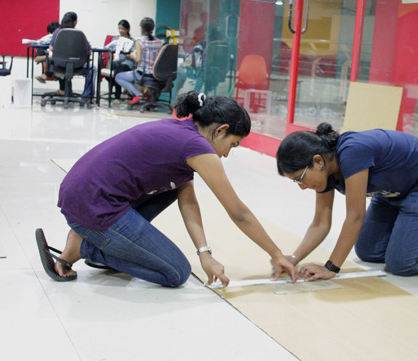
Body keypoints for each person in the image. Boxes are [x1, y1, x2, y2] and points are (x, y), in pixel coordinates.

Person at [36, 91, 298, 288]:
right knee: (175, 273)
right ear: (221, 131)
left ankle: (94, 243)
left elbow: (189, 202)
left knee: (173, 188)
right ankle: (87, 247)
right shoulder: (199, 149)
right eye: (234, 144)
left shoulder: (182, 133)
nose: (229, 154)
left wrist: (204, 253)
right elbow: (238, 212)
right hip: (93, 205)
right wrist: (276, 254)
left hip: (82, 195)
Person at [274, 123, 418, 281]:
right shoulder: (324, 172)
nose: (302, 186)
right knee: (368, 251)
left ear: (317, 161)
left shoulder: (351, 152)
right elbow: (320, 223)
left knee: (402, 264)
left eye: (300, 179)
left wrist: (330, 267)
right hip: (392, 192)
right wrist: (293, 259)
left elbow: (355, 217)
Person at [48, 12, 96, 102]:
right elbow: (89, 50)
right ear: (74, 22)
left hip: (60, 65)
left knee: (66, 70)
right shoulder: (79, 33)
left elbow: (51, 48)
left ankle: (68, 93)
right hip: (77, 65)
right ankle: (86, 97)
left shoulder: (58, 31)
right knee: (92, 69)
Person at [115, 17, 163, 105]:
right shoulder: (159, 42)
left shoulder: (139, 41)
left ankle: (137, 94)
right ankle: (150, 96)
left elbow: (138, 59)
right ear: (152, 28)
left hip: (142, 75)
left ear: (141, 28)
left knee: (118, 77)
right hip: (156, 74)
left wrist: (132, 55)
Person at [104, 19, 135, 100]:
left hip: (127, 63)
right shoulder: (115, 40)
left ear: (128, 29)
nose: (120, 30)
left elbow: (133, 55)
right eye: (119, 28)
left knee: (119, 68)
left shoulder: (132, 41)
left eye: (123, 29)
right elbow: (109, 51)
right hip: (116, 61)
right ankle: (118, 95)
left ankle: (117, 96)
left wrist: (126, 54)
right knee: (117, 65)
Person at [34, 21, 63, 91]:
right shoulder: (45, 44)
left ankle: (63, 91)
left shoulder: (63, 43)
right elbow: (36, 59)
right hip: (54, 66)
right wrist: (49, 57)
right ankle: (63, 91)